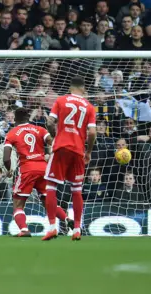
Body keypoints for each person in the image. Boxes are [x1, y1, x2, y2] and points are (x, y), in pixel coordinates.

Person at [3, 108, 72, 238]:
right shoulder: (40, 130)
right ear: (28, 117)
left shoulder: (11, 133)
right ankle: (68, 219)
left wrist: (9, 170)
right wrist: (51, 155)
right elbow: (54, 143)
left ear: (15, 119)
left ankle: (24, 230)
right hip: (43, 169)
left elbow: (6, 158)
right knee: (49, 203)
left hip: (27, 170)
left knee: (18, 204)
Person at [43, 76, 97, 241]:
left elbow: (50, 122)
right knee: (76, 190)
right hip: (78, 151)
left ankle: (52, 227)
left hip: (61, 148)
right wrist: (88, 152)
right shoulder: (89, 107)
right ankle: (77, 229)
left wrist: (55, 135)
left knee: (51, 187)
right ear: (83, 88)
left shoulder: (61, 100)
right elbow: (93, 132)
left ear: (70, 87)